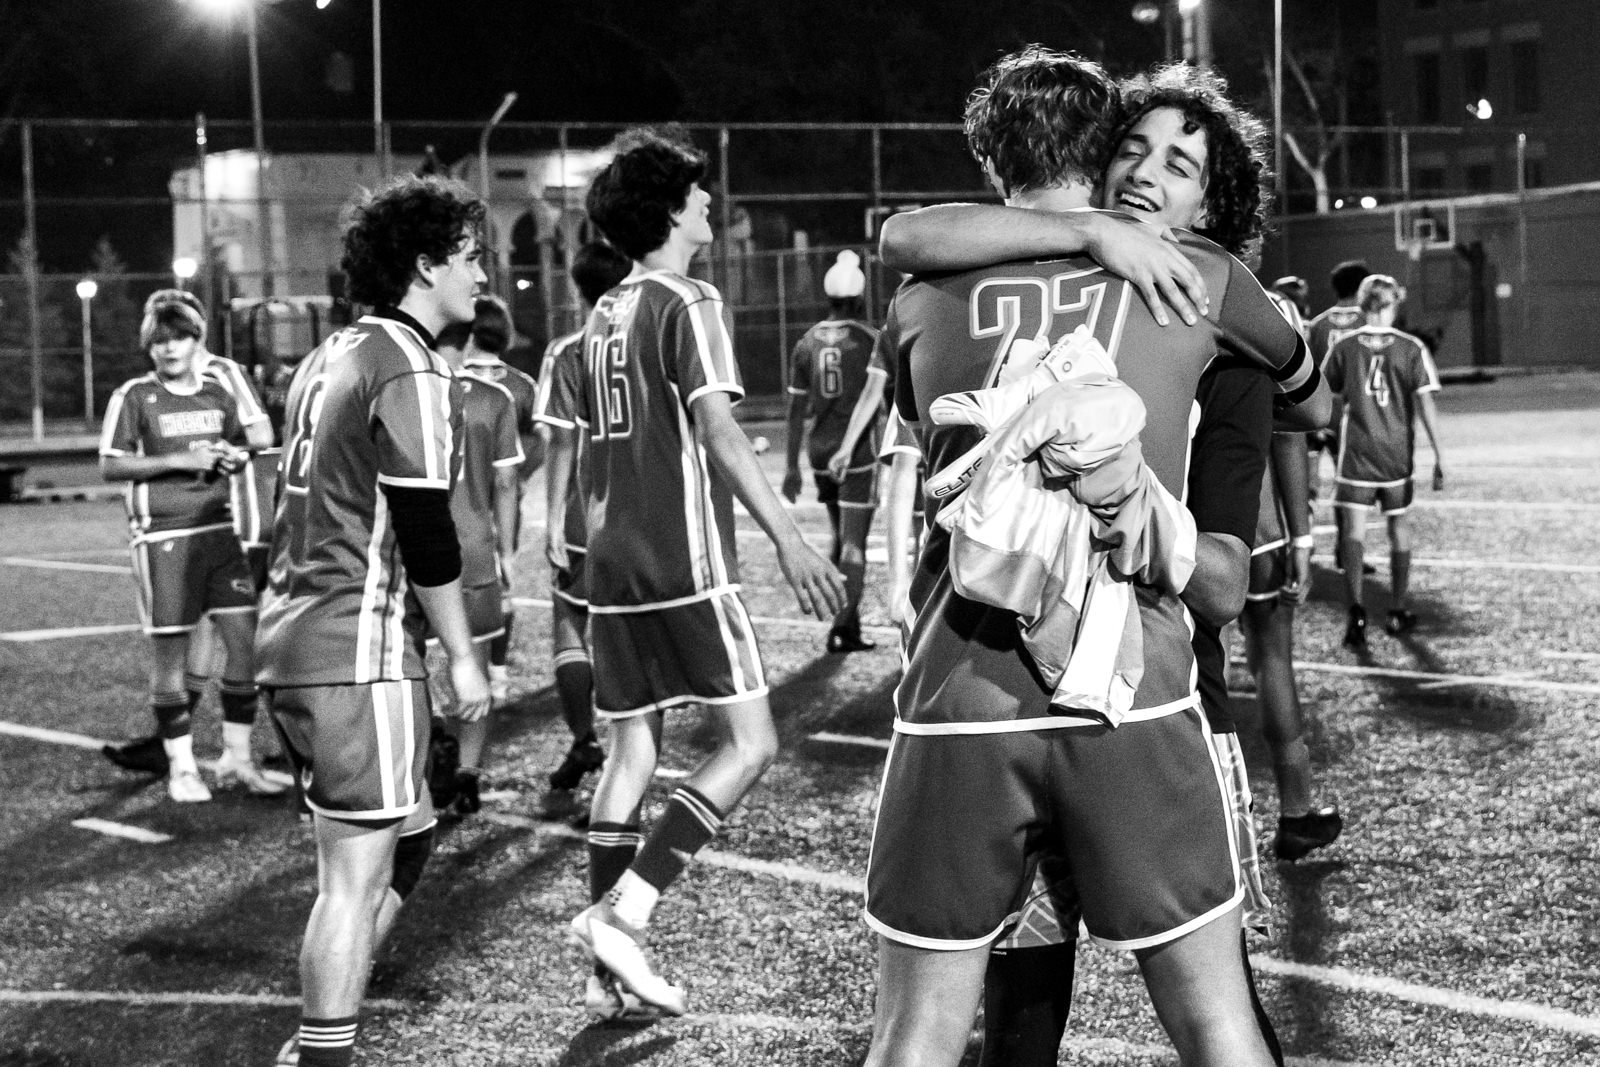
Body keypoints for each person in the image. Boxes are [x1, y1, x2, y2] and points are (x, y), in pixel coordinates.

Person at [862, 49, 1322, 1067]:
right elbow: (1309, 389)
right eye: (1135, 149)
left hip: (960, 696)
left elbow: (901, 241)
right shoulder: (1204, 288)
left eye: (1181, 163)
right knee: (1210, 1019)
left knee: (918, 1035)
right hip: (1132, 694)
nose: (1150, 174)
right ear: (1101, 153)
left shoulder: (922, 291)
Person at [559, 128, 845, 1018]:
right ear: (670, 210)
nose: (711, 202)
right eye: (698, 192)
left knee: (632, 749)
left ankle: (614, 976)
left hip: (609, 565)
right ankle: (628, 912)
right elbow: (720, 433)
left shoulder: (598, 317)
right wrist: (791, 538)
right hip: (679, 559)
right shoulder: (688, 300)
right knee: (751, 742)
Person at [257, 174, 492, 1067]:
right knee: (350, 883)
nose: (482, 277)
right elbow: (426, 529)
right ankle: (324, 1052)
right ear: (425, 263)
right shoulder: (410, 363)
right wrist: (463, 658)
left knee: (415, 830)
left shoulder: (328, 356)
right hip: (357, 646)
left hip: (297, 636)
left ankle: (317, 1035)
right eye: (470, 258)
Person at [99, 298, 281, 802]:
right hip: (163, 537)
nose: (168, 348)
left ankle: (237, 757)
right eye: (158, 341)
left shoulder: (219, 389)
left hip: (221, 531)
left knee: (245, 642)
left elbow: (251, 441)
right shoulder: (135, 395)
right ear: (148, 348)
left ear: (196, 339)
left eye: (177, 338)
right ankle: (180, 766)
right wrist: (184, 459)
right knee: (173, 652)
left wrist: (230, 456)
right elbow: (111, 465)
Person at [532, 240, 633, 820]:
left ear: (578, 290)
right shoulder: (642, 340)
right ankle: (625, 760)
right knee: (623, 639)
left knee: (570, 627)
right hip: (638, 510)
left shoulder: (567, 349)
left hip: (582, 512)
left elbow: (561, 438)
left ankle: (584, 742)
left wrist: (549, 520)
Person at [432, 315, 525, 816]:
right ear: (468, 342)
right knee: (474, 667)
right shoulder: (495, 398)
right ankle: (467, 774)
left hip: (417, 555)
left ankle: (429, 763)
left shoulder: (404, 392)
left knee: (418, 670)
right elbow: (506, 484)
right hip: (474, 549)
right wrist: (506, 550)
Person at [1325, 274, 1445, 648]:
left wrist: (1322, 434)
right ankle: (1396, 609)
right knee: (1399, 526)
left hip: (1357, 452)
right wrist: (1440, 455)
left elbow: (1326, 398)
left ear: (1363, 305)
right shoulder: (1411, 347)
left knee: (1353, 532)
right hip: (1395, 453)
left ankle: (1356, 613)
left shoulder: (1344, 345)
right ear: (1392, 304)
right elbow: (1425, 402)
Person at [782, 248, 882, 653]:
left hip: (819, 451)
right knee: (854, 543)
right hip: (855, 453)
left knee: (840, 537)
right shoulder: (869, 340)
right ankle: (843, 627)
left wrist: (792, 466)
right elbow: (887, 400)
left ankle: (848, 622)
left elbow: (794, 411)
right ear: (859, 297)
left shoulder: (806, 342)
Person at [458, 294, 543, 707]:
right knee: (498, 586)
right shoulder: (521, 385)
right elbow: (542, 441)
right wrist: (517, 475)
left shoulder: (443, 380)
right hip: (500, 507)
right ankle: (496, 672)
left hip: (456, 503)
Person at [1304, 260, 1371, 503]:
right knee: (1348, 482)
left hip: (1319, 410)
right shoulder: (1368, 324)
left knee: (1308, 481)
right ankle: (1346, 535)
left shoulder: (1318, 324)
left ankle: (1304, 534)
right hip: (1352, 412)